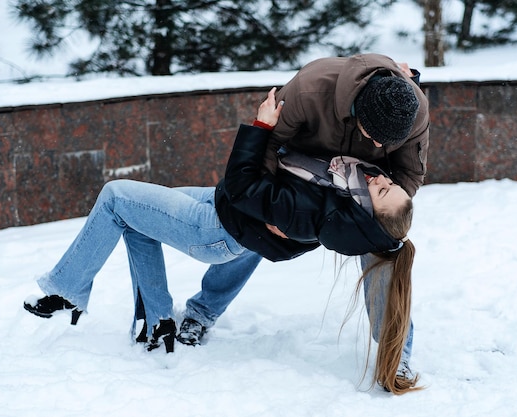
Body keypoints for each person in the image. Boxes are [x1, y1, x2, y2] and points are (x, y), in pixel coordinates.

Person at [23, 89, 413, 375]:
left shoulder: (321, 211)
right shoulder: (345, 193)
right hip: (223, 205)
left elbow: (243, 182)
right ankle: (157, 321)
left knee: (115, 196)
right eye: (390, 185)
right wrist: (400, 83)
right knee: (135, 213)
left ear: (368, 212)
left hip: (217, 228)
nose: (382, 180)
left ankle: (67, 289)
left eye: (382, 192)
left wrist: (261, 127)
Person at [177, 53, 429, 394]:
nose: (381, 147)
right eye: (375, 137)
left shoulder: (413, 111)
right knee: (248, 230)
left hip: (368, 191)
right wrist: (268, 212)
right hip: (299, 176)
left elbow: (410, 173)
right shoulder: (311, 87)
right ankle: (203, 311)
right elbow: (269, 142)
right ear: (358, 114)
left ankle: (396, 355)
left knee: (386, 247)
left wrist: (379, 219)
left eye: (388, 142)